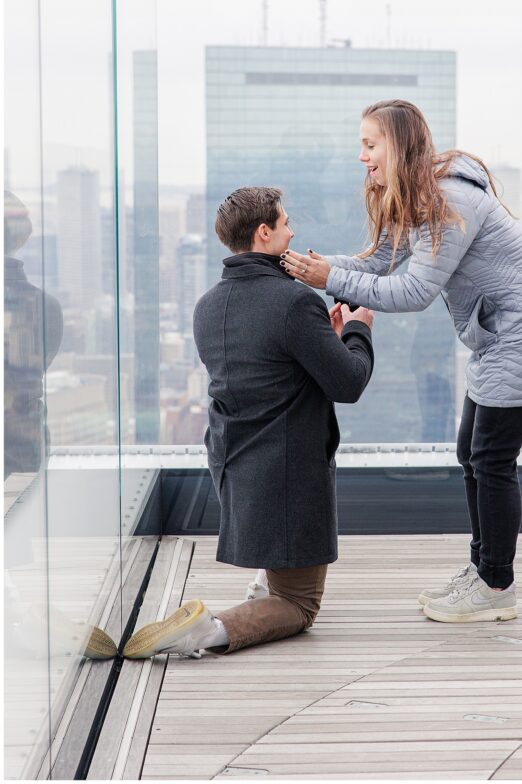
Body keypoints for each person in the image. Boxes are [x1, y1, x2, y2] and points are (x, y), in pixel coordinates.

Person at [279, 100, 522, 625]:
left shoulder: (449, 199)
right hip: (504, 334)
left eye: (370, 144)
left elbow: (412, 290)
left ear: (399, 145)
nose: (362, 156)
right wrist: (316, 267)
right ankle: (483, 572)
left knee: (491, 460)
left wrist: (328, 280)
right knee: (471, 452)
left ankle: (495, 583)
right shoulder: (423, 193)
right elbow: (380, 261)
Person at [124, 187, 374, 659]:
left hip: (234, 458)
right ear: (264, 233)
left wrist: (327, 341)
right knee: (298, 605)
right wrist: (359, 330)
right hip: (288, 468)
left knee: (284, 581)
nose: (292, 230)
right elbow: (349, 384)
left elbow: (267, 376)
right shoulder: (295, 303)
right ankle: (208, 630)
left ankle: (261, 584)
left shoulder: (207, 306)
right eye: (284, 223)